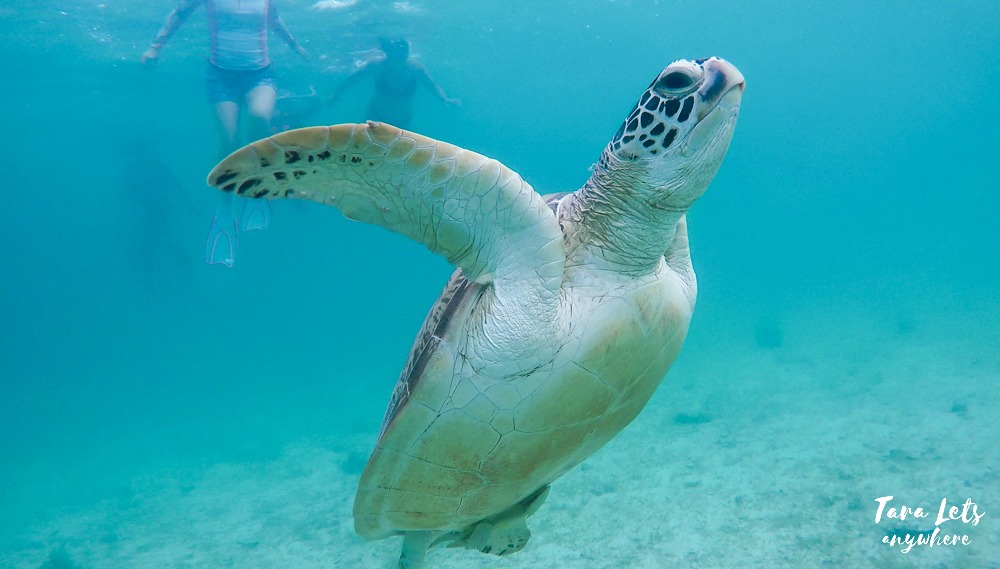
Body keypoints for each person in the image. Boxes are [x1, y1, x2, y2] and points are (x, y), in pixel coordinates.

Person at [141, 0, 309, 267]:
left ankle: (259, 189)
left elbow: (274, 19)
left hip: (261, 75)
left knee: (259, 119)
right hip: (220, 78)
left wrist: (294, 45)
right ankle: (226, 206)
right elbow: (180, 13)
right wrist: (155, 46)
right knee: (229, 143)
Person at [327, 37, 459, 129]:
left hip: (402, 123)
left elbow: (432, 85)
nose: (397, 60)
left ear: (406, 53)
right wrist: (336, 94)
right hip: (374, 119)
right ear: (387, 53)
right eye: (394, 55)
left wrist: (444, 99)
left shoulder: (415, 68)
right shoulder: (376, 65)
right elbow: (351, 80)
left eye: (401, 55)